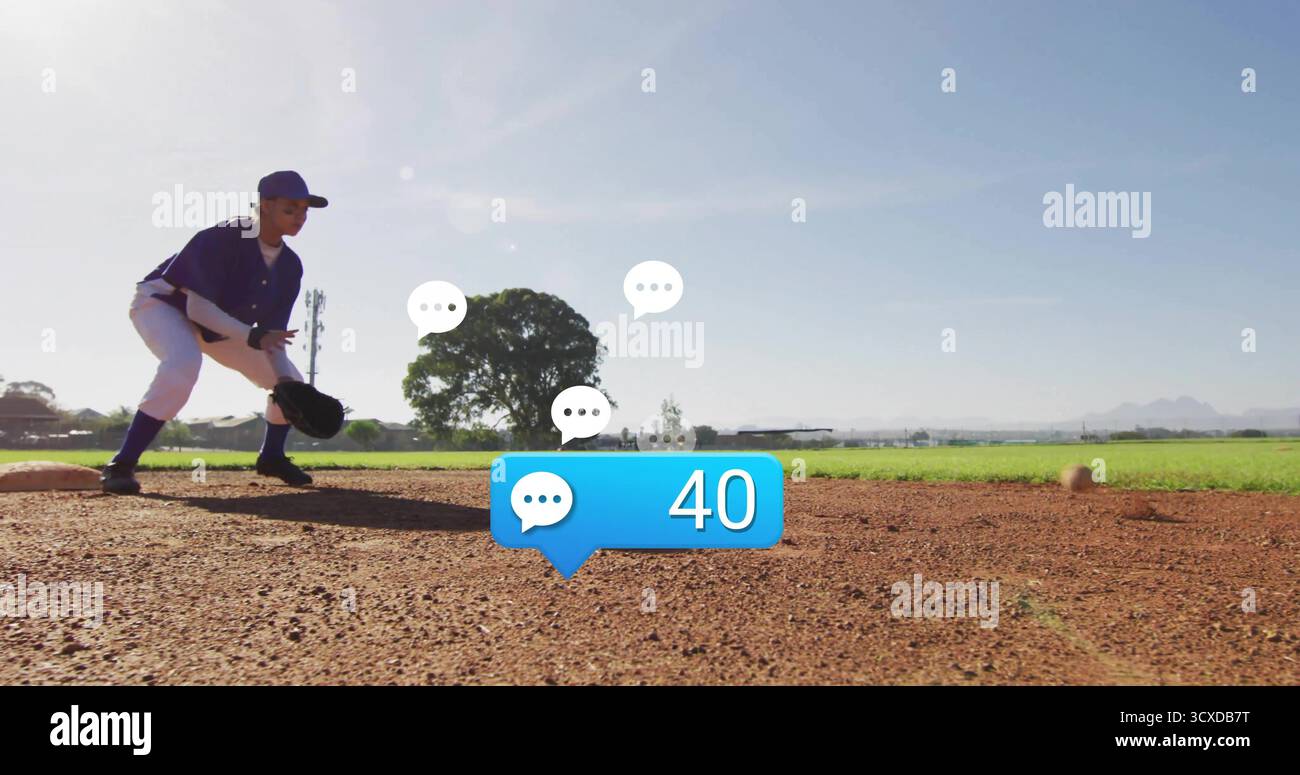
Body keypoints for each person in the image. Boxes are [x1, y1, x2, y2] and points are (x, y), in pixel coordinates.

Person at [100, 171, 327, 494]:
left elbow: (272, 338)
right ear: (264, 206)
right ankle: (121, 464)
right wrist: (253, 336)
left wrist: (285, 383)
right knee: (183, 363)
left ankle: (272, 457)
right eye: (291, 208)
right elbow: (198, 310)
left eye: (305, 210)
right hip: (165, 305)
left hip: (222, 327)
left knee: (290, 382)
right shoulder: (226, 237)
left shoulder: (290, 266)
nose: (300, 217)